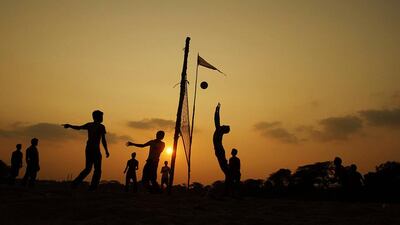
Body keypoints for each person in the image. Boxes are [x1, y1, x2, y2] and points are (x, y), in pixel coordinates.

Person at [63, 110, 110, 191]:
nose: (102, 118)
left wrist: (70, 126)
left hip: (88, 149)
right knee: (97, 170)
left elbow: (79, 127)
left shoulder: (89, 125)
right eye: (101, 116)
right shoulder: (101, 127)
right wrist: (106, 150)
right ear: (98, 117)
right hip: (95, 149)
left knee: (88, 169)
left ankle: (75, 184)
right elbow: (103, 140)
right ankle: (93, 187)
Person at [213, 103, 231, 192]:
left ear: (223, 129)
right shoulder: (219, 131)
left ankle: (226, 191)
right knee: (227, 173)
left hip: (220, 151)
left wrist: (217, 110)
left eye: (224, 125)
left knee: (227, 173)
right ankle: (227, 190)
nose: (223, 124)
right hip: (220, 151)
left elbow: (216, 119)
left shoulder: (219, 130)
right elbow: (217, 120)